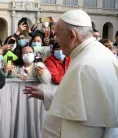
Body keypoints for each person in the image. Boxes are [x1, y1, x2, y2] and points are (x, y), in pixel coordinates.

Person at [23, 9, 118, 138]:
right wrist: (46, 95)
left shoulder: (85, 64)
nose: (56, 41)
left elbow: (87, 121)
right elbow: (76, 95)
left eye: (57, 35)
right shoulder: (91, 53)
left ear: (72, 36)